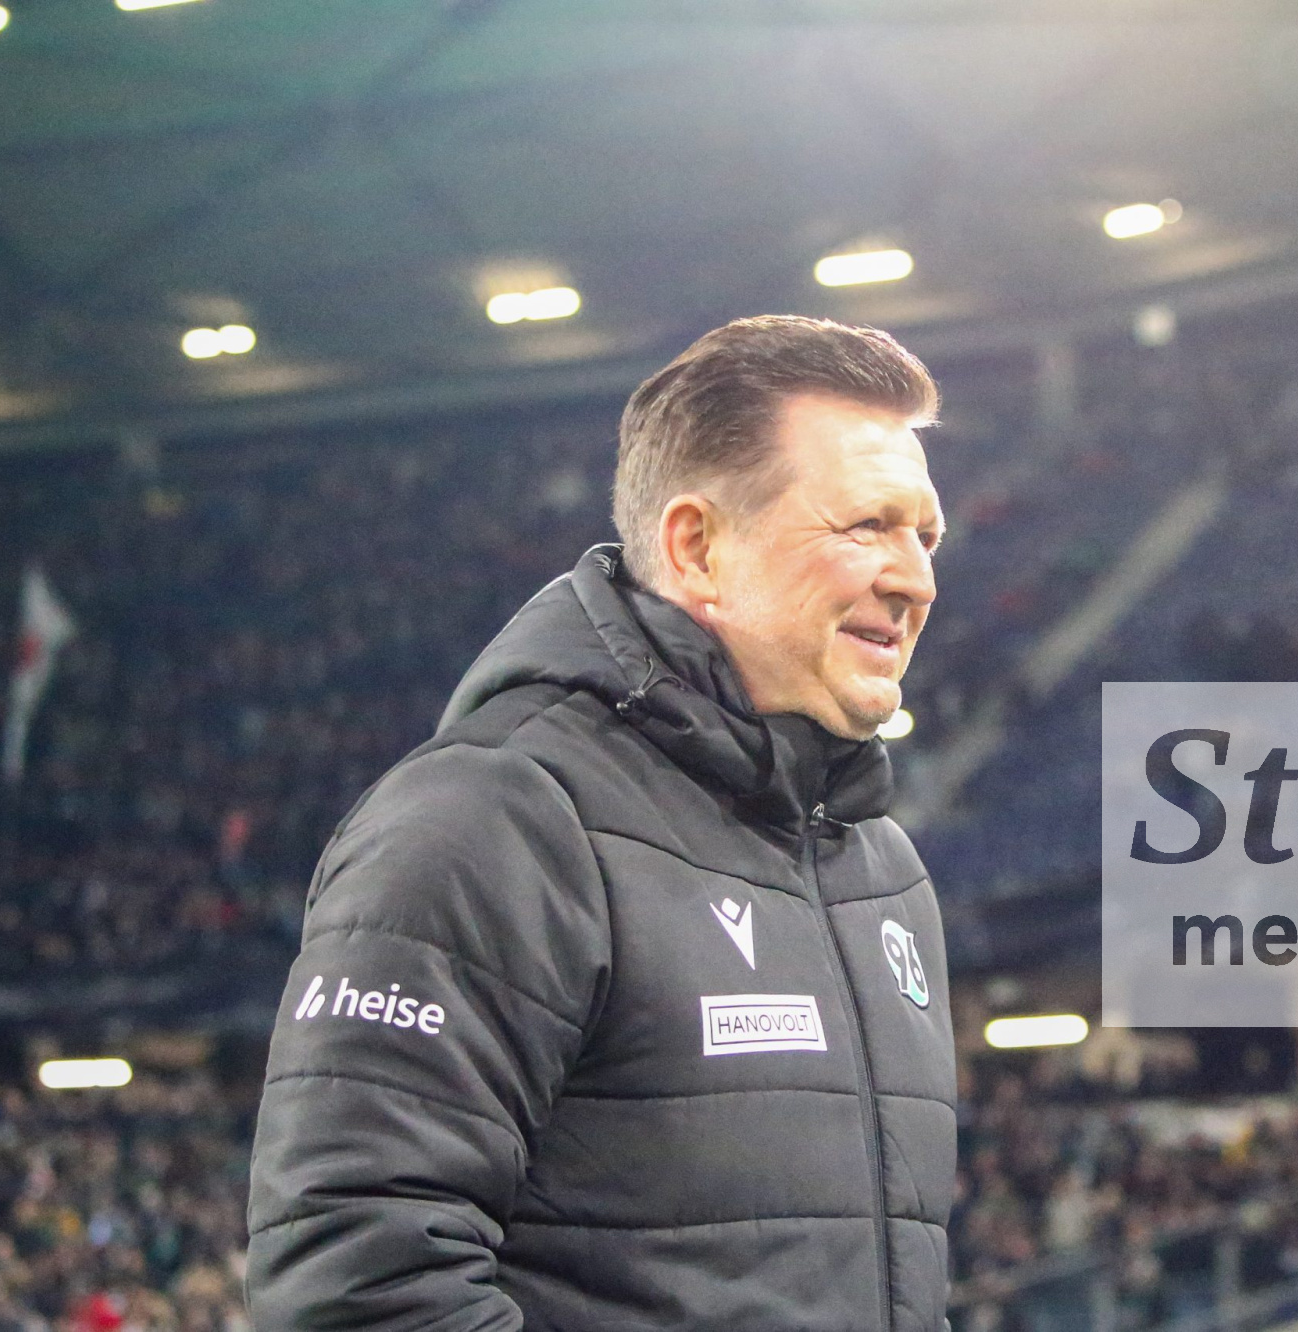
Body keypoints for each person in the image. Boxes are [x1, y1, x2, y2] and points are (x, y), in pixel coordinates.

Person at [244, 316, 958, 1330]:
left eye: (925, 536)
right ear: (697, 547)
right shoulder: (492, 820)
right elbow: (358, 1291)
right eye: (866, 527)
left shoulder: (880, 867)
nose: (916, 579)